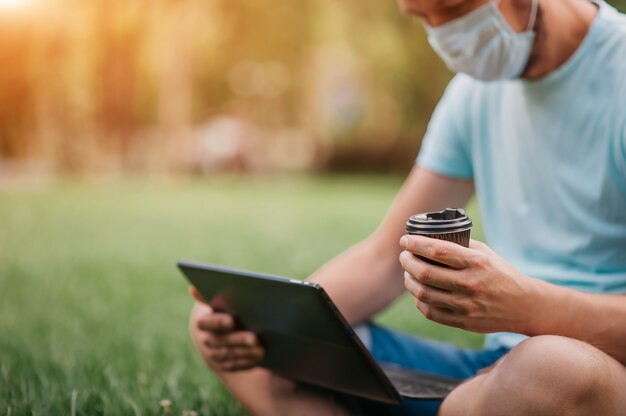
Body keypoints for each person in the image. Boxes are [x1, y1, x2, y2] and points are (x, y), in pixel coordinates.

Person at [189, 0, 626, 414]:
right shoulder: (473, 95)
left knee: (552, 373)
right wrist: (271, 326)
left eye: (454, 8)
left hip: (594, 370)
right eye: (422, 16)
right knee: (225, 325)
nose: (446, 34)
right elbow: (384, 259)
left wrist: (530, 306)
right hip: (497, 376)